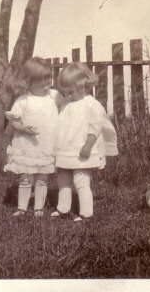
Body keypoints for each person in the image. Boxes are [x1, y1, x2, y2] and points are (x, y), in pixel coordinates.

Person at [51, 62, 118, 222]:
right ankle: (63, 209)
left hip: (82, 150)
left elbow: (95, 126)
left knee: (81, 180)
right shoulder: (67, 104)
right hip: (66, 150)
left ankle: (86, 213)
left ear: (82, 85)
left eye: (71, 91)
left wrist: (88, 145)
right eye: (65, 91)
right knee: (63, 180)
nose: (68, 95)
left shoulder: (91, 105)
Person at [4, 57, 59, 217]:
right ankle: (22, 208)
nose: (46, 83)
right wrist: (24, 128)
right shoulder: (23, 100)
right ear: (28, 81)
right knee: (26, 178)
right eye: (40, 80)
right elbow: (14, 122)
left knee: (42, 178)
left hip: (46, 145)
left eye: (48, 78)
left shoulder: (54, 96)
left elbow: (66, 107)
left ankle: (39, 208)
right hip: (27, 145)